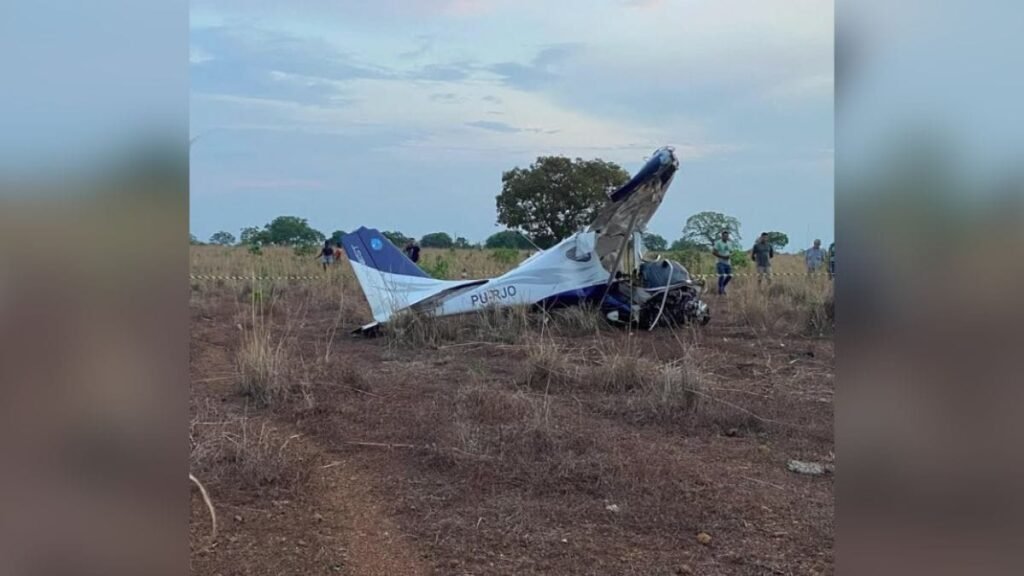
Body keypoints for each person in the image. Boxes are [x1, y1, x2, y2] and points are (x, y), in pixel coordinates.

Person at [712, 230, 736, 295]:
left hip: (728, 262)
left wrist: (731, 255)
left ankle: (723, 287)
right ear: (722, 236)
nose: (726, 237)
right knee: (722, 276)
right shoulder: (718, 243)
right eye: (724, 236)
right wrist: (722, 256)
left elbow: (732, 251)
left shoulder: (729, 243)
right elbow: (714, 252)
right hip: (720, 262)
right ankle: (720, 290)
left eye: (727, 236)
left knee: (730, 276)